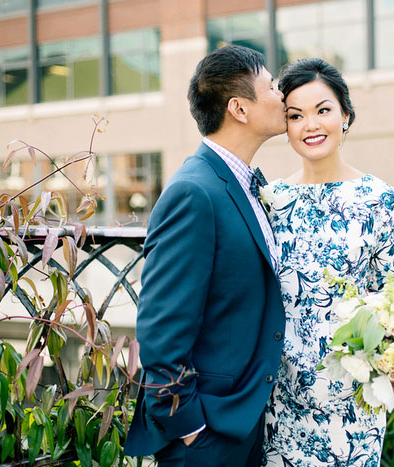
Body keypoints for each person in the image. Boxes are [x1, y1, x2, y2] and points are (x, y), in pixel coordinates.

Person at [123, 45, 287, 467]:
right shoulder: (193, 192)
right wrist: (191, 428)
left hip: (244, 422)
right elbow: (161, 329)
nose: (281, 94)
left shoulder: (241, 182)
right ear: (239, 108)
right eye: (271, 85)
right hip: (205, 435)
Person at [260, 58, 394, 466]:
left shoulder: (379, 198)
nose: (311, 125)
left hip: (354, 398)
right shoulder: (271, 201)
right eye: (296, 115)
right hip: (281, 394)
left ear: (345, 115)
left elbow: (392, 291)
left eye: (323, 110)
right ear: (285, 126)